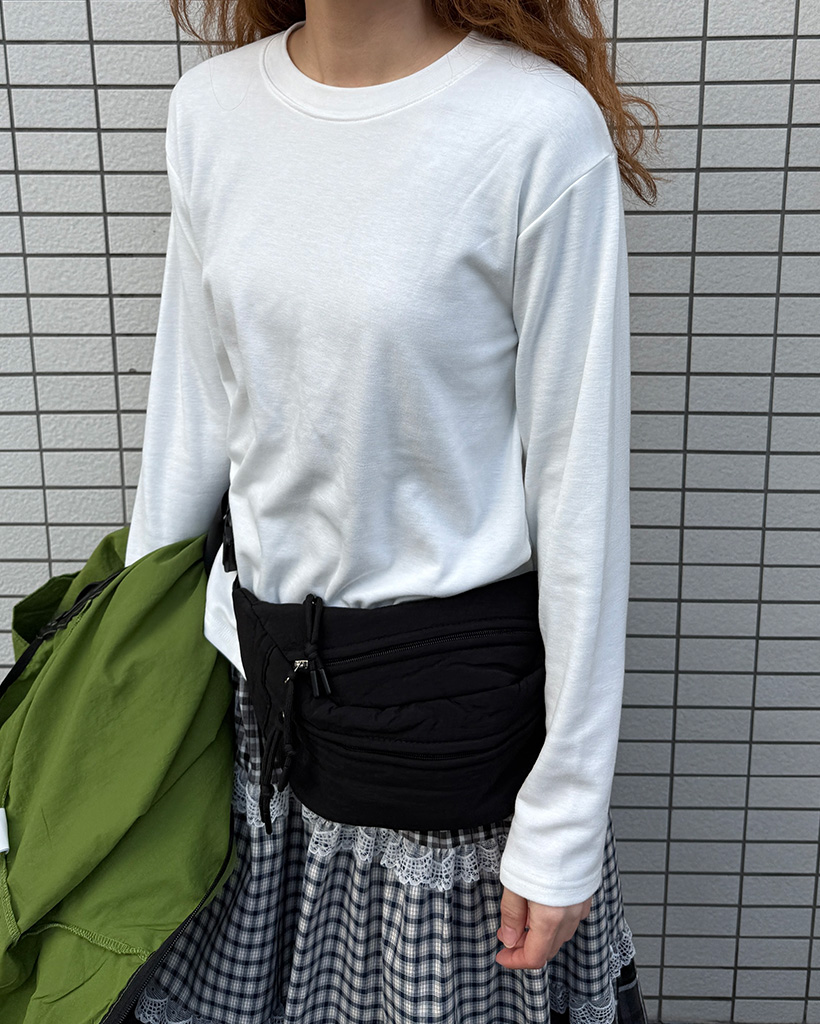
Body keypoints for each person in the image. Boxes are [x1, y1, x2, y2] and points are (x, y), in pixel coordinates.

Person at [123, 1, 661, 1021]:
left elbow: (578, 491)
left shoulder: (534, 127)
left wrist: (565, 813)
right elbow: (191, 417)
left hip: (443, 741)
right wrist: (127, 696)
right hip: (255, 721)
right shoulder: (211, 111)